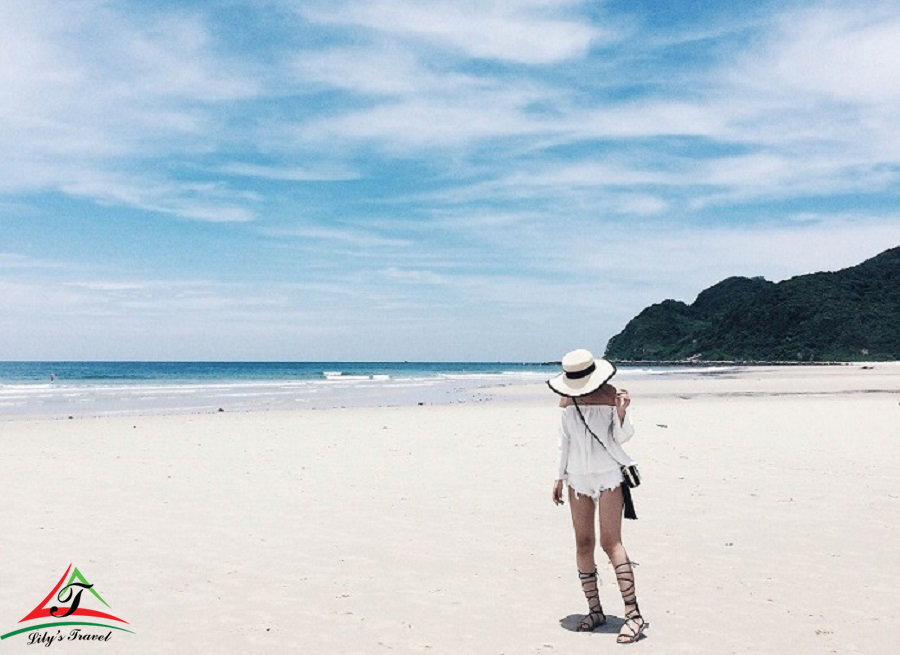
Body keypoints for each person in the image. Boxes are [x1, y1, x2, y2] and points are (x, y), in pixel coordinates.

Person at [548, 348, 647, 644]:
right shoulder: (566, 402)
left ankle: (634, 615)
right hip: (576, 478)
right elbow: (563, 442)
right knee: (583, 543)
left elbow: (622, 436)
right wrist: (558, 476)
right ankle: (595, 611)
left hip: (608, 477)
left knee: (610, 542)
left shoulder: (611, 395)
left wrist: (621, 412)